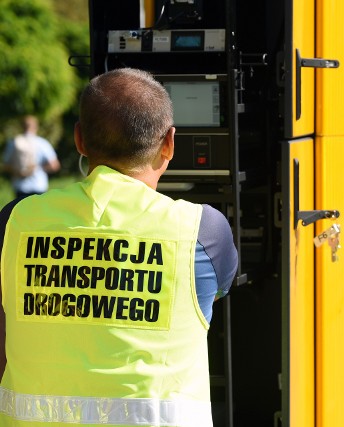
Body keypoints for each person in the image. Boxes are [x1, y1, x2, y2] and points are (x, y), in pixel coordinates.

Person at [0, 68, 238, 426]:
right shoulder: (205, 232)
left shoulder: (14, 222)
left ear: (79, 140)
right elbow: (214, 294)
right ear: (169, 143)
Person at [2, 115, 61, 200]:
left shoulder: (13, 143)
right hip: (38, 185)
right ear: (36, 127)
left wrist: (18, 171)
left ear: (21, 127)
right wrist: (38, 168)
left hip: (20, 187)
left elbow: (5, 165)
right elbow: (54, 165)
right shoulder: (42, 143)